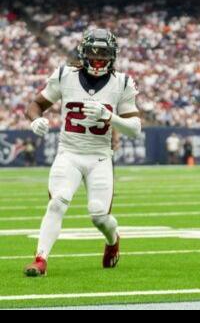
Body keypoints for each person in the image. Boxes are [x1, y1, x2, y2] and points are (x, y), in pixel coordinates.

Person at [23, 29, 141, 277]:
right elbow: (36, 105)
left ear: (113, 57)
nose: (98, 60)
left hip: (99, 157)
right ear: (83, 54)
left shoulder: (122, 82)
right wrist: (35, 120)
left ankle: (112, 240)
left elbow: (135, 129)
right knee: (57, 202)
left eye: (104, 55)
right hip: (69, 152)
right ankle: (40, 259)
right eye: (93, 54)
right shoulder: (65, 74)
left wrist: (109, 116)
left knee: (99, 215)